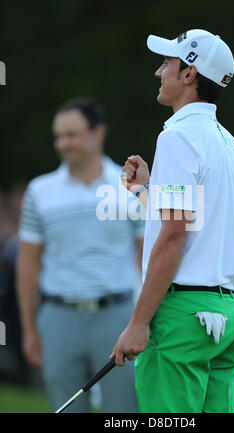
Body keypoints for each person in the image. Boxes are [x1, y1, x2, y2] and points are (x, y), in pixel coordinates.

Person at [110, 29, 234, 413]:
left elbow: (174, 237)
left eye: (166, 63)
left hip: (182, 319)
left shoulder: (178, 136)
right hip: (227, 316)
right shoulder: (230, 144)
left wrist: (139, 322)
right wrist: (144, 190)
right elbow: (192, 221)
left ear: (189, 75)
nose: (158, 72)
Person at [17, 98, 144, 413]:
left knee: (123, 412)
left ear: (97, 133)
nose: (63, 144)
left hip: (118, 316)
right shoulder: (39, 191)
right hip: (59, 318)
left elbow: (147, 257)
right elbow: (29, 263)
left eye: (72, 134)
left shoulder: (129, 186)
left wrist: (145, 319)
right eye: (59, 136)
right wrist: (29, 327)